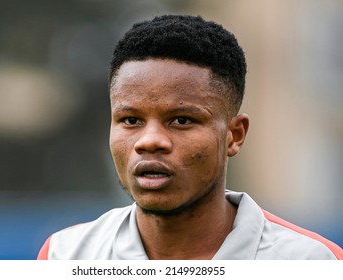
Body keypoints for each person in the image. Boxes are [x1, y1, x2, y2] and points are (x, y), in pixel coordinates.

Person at [37, 15, 343, 260]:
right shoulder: (67, 255)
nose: (150, 140)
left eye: (181, 120)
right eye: (131, 120)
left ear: (234, 136)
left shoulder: (310, 261)